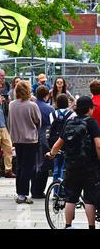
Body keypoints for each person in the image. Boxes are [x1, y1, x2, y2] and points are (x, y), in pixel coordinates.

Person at [47, 96, 100, 229]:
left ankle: (68, 225)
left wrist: (51, 154)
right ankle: (91, 226)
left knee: (70, 198)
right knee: (89, 199)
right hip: (89, 166)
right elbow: (98, 145)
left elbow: (58, 143)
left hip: (71, 165)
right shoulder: (91, 122)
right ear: (89, 109)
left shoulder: (69, 122)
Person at [8, 81, 41, 204]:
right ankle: (23, 194)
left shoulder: (12, 104)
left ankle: (19, 192)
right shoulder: (32, 105)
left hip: (17, 139)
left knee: (20, 165)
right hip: (30, 139)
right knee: (28, 167)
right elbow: (38, 121)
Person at [31, 85, 55, 199]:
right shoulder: (49, 108)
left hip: (31, 135)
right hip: (45, 136)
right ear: (47, 95)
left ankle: (33, 190)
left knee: (33, 164)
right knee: (44, 165)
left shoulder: (32, 105)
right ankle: (39, 191)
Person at [48, 94, 74, 189]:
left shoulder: (52, 114)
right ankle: (63, 190)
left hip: (55, 142)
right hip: (67, 142)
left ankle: (55, 190)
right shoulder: (71, 114)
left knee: (56, 167)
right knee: (64, 167)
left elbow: (51, 126)